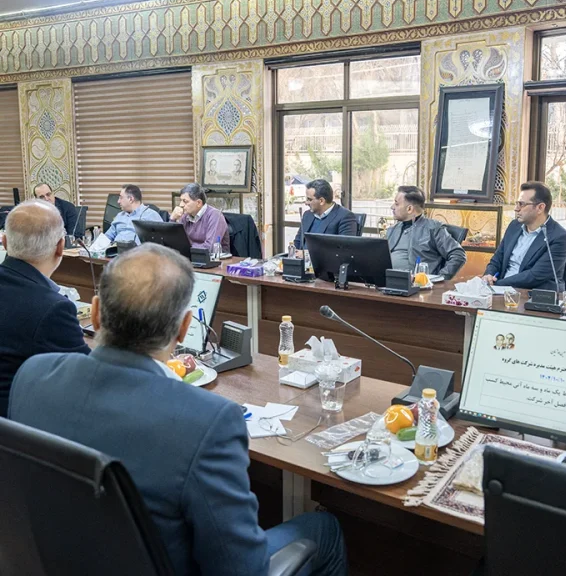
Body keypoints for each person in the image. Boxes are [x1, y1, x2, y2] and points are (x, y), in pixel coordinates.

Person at [9, 244, 347, 576]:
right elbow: (241, 569)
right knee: (325, 529)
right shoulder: (208, 422)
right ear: (185, 327)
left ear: (95, 313)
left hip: (54, 559)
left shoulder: (31, 375)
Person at [0, 200, 90, 417]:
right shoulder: (53, 309)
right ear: (60, 247)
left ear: (4, 242)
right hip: (19, 427)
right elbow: (90, 378)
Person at [483, 182, 566, 291]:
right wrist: (488, 275)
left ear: (540, 208)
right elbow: (497, 259)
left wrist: (497, 285)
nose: (516, 208)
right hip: (500, 289)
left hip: (531, 293)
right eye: (517, 203)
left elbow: (535, 276)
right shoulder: (514, 226)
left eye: (521, 204)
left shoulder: (560, 237)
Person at [386, 186, 467, 279]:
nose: (392, 207)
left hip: (416, 285)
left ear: (409, 209)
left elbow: (458, 255)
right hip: (386, 281)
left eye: (396, 204)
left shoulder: (433, 228)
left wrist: (440, 278)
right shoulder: (393, 229)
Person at [293, 179, 357, 249]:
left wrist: (305, 253)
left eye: (309, 199)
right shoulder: (307, 215)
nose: (306, 203)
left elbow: (344, 250)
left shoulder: (345, 217)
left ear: (321, 201)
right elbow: (297, 243)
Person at [170, 183, 230, 252]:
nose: (181, 205)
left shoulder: (215, 216)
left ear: (198, 203)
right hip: (190, 256)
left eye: (185, 201)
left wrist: (186, 247)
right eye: (180, 200)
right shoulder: (185, 216)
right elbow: (173, 243)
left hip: (213, 258)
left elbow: (210, 248)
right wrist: (172, 219)